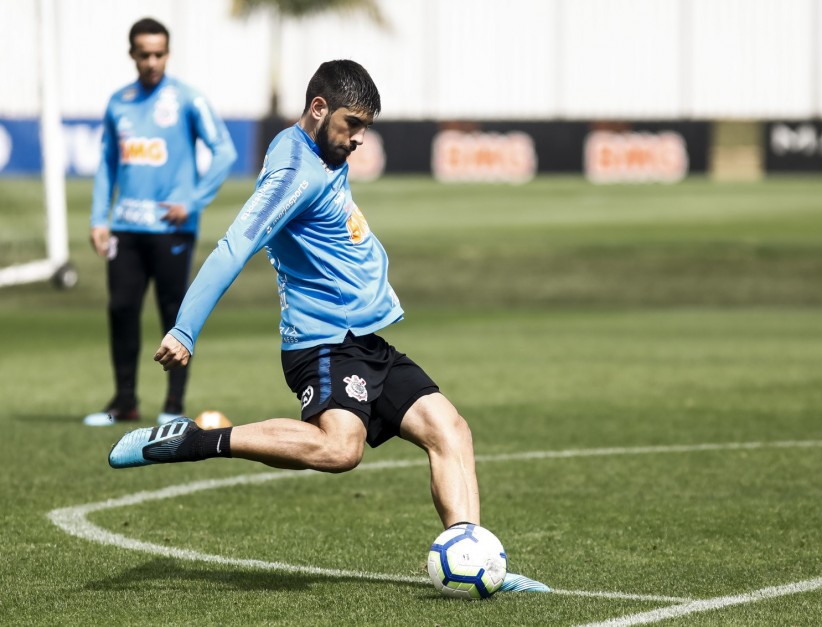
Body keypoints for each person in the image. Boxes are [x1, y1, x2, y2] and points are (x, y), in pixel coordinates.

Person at [108, 60, 547, 593]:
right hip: (324, 342)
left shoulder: (319, 147)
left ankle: (480, 561)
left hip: (363, 340)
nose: (359, 139)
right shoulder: (294, 173)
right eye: (352, 124)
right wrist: (184, 329)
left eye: (365, 127)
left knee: (449, 430)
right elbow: (234, 246)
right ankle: (198, 441)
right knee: (341, 449)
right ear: (319, 109)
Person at [84, 18, 237, 427]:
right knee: (121, 309)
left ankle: (173, 404)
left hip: (172, 229)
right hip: (126, 228)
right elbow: (107, 163)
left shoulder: (187, 99)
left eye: (159, 53)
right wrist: (100, 218)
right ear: (132, 54)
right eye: (144, 53)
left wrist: (193, 200)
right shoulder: (120, 102)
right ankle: (125, 401)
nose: (152, 61)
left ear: (167, 53)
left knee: (175, 314)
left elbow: (224, 152)